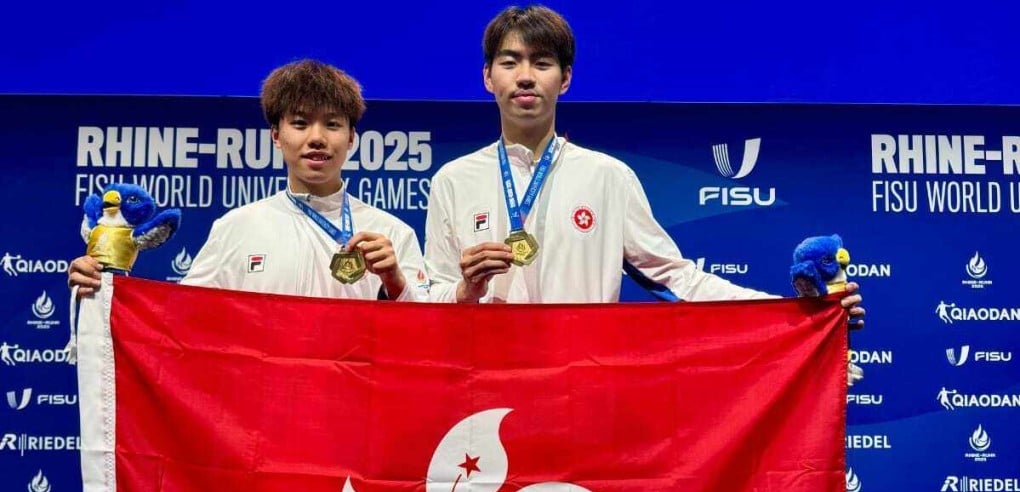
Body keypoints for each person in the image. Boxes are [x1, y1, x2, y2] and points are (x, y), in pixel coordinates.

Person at [423, 5, 864, 325]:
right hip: (483, 385)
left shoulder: (608, 178)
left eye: (542, 63)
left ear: (566, 78)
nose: (525, 76)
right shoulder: (454, 181)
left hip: (578, 389)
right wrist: (466, 292)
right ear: (487, 77)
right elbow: (427, 300)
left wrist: (794, 315)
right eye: (509, 62)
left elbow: (676, 278)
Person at [68, 59, 429, 302]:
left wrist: (395, 283)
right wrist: (107, 292)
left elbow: (429, 342)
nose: (317, 138)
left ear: (351, 137)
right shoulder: (237, 228)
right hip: (262, 412)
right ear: (276, 135)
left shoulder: (392, 234)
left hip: (356, 411)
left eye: (332, 124)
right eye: (300, 123)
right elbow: (181, 327)